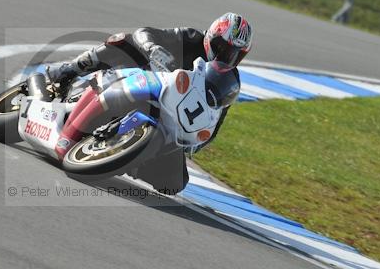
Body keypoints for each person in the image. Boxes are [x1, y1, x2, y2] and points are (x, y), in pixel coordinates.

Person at [50, 12, 253, 193]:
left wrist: (194, 143)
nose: (225, 56)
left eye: (234, 54)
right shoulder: (190, 38)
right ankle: (69, 70)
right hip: (142, 79)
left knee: (175, 183)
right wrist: (152, 47)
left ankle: (128, 157)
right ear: (210, 36)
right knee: (123, 41)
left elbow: (213, 126)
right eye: (221, 48)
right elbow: (144, 33)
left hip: (168, 120)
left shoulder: (225, 81)